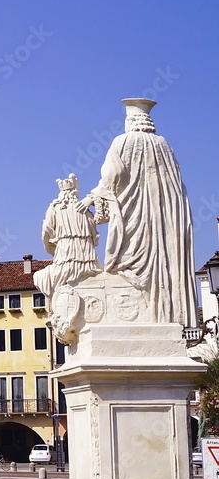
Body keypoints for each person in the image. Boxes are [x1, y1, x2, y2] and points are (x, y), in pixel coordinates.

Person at [76, 99, 197, 327]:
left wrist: (93, 196)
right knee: (161, 253)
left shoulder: (122, 142)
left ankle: (142, 303)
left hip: (134, 214)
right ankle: (163, 308)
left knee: (128, 253)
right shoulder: (164, 145)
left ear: (130, 121)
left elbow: (112, 175)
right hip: (163, 217)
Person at [34, 173, 101, 299]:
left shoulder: (54, 208)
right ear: (75, 192)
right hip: (88, 256)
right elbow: (94, 235)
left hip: (65, 252)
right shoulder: (85, 211)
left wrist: (51, 247)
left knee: (45, 276)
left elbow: (46, 231)